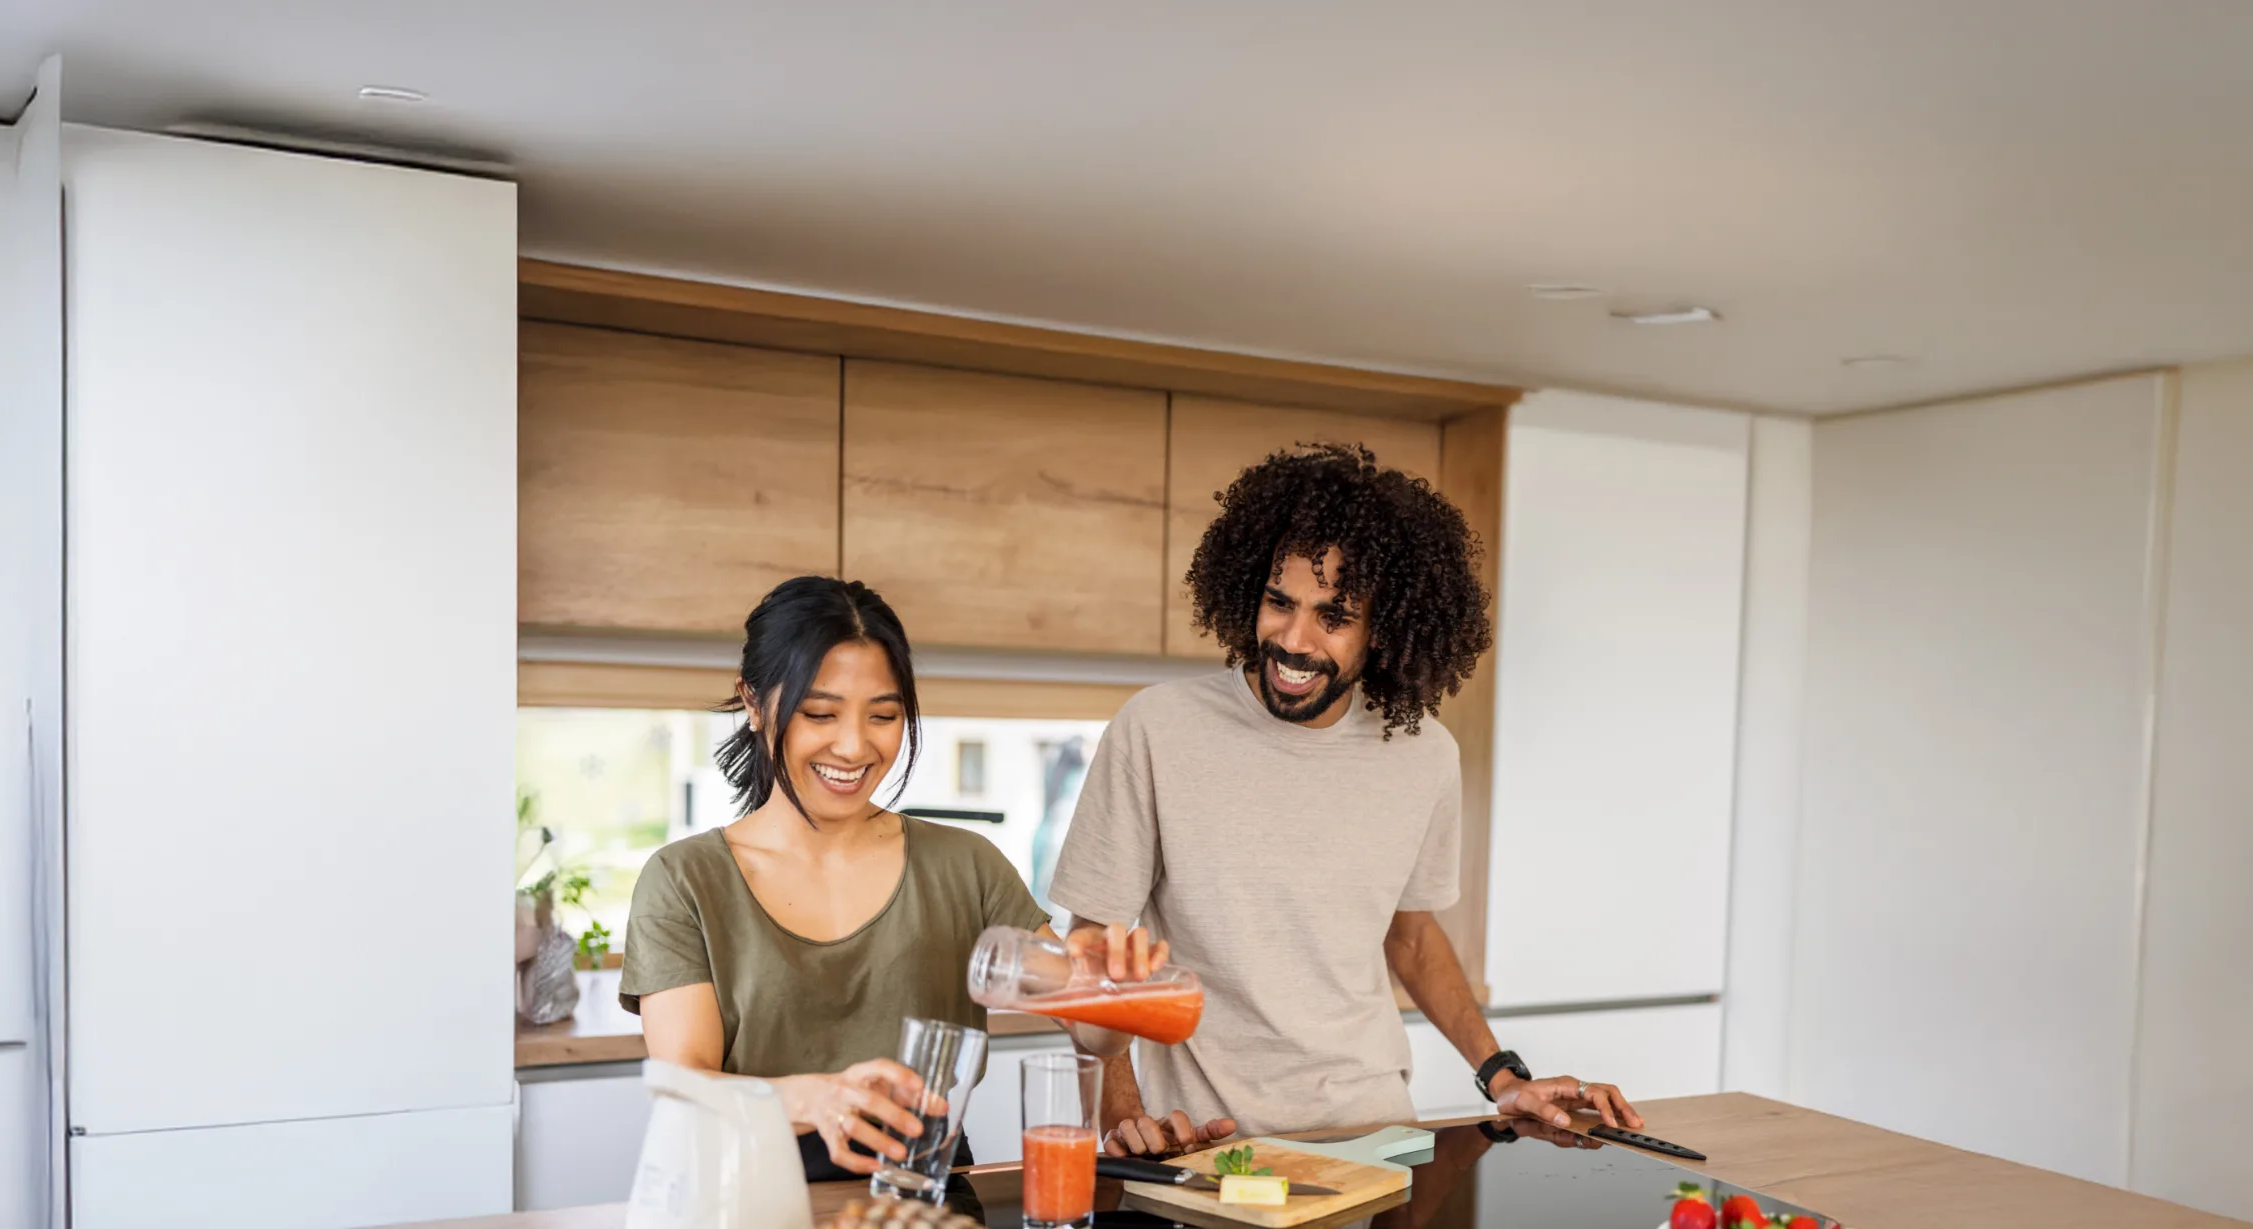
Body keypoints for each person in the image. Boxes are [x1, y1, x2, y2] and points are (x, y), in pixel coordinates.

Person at [1050, 443, 1648, 1155]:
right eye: (1278, 602)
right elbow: (1094, 948)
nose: (1292, 639)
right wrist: (1126, 1114)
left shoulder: (1424, 755)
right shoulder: (1158, 729)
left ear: (1383, 631)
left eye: (1332, 616)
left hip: (1371, 1133)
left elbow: (1412, 935)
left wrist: (1501, 1074)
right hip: (1204, 1141)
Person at [618, 575, 1165, 1180]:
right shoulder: (684, 880)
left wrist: (1115, 999)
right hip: (746, 1196)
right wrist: (818, 1099)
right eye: (819, 713)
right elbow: (686, 1088)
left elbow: (1091, 1032)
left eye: (883, 715)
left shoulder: (966, 867)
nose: (853, 747)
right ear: (752, 701)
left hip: (927, 1198)